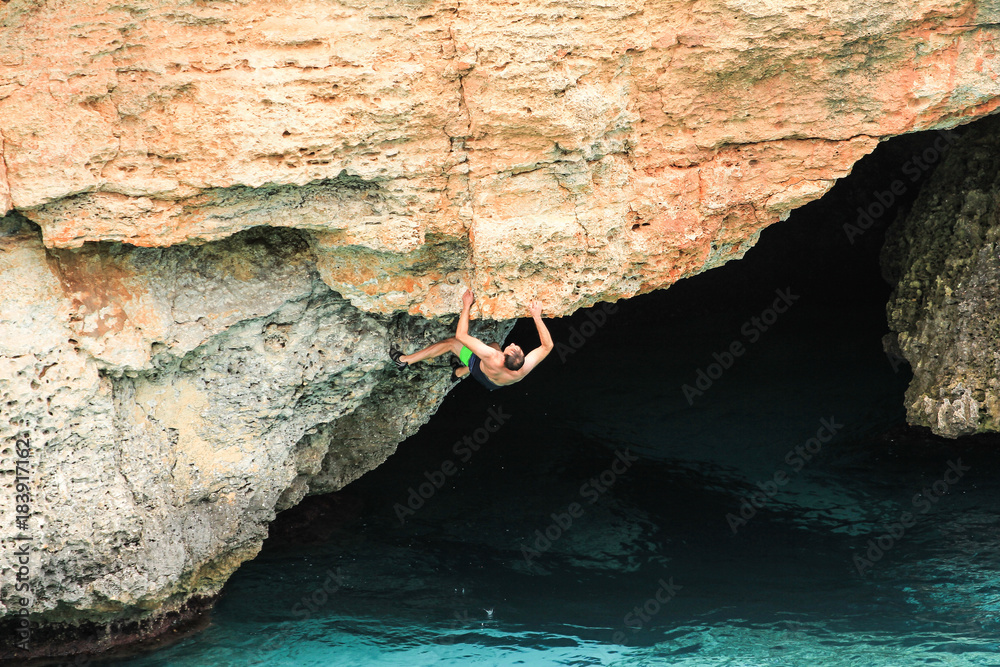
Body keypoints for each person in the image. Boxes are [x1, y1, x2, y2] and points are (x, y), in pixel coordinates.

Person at [390, 290, 554, 391]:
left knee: (451, 343)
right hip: (495, 385)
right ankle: (459, 372)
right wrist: (537, 317)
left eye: (511, 348)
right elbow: (548, 346)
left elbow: (461, 335)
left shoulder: (490, 355)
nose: (512, 344)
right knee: (496, 344)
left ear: (503, 357)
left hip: (478, 368)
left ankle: (404, 360)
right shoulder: (523, 368)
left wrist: (466, 305)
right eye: (516, 347)